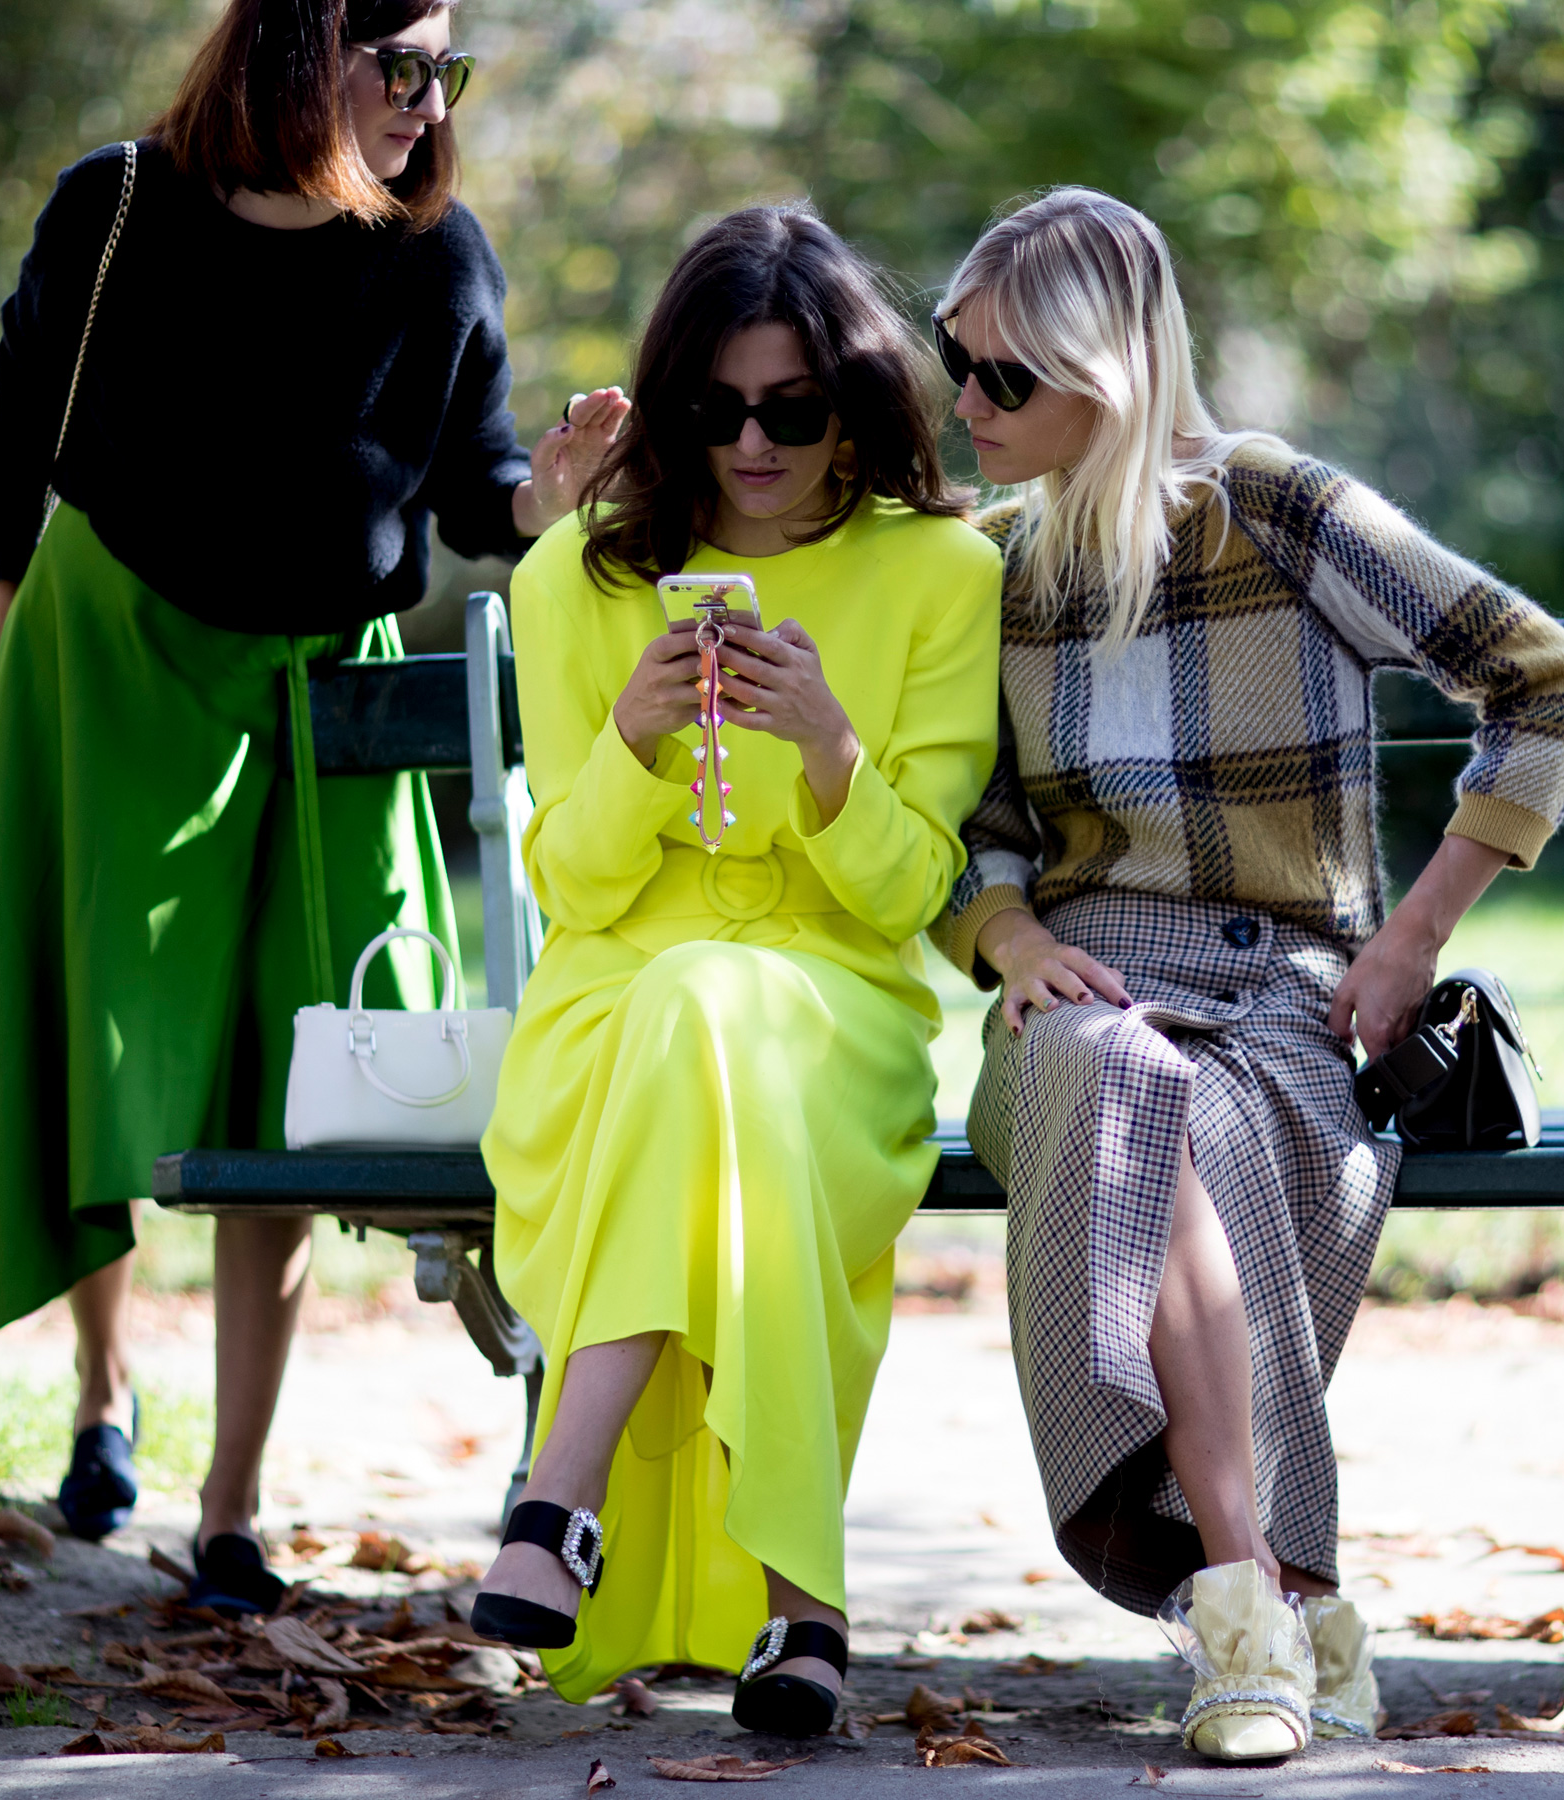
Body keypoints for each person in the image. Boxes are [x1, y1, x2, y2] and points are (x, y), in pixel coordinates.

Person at [0, 0, 626, 1612]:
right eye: (400, 63)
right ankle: (102, 1395)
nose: (428, 100)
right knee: (106, 1035)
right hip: (116, 656)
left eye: (447, 70)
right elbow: (26, 406)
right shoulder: (115, 205)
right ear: (295, 50)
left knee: (293, 1076)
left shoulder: (438, 260)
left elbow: (476, 489)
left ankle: (231, 1507)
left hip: (327, 701)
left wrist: (549, 496)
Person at [927, 188, 1564, 1763]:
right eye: (956, 363)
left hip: (1284, 1001)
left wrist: (1415, 933)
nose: (967, 403)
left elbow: (1547, 683)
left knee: (1200, 1130)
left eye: (1004, 375)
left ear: (1107, 369)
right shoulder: (984, 565)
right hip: (1073, 1003)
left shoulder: (1278, 510)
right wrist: (1011, 941)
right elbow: (962, 824)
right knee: (1118, 1072)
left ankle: (1281, 1615)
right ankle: (1257, 1605)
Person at [466, 204, 1001, 1736]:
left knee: (720, 1020)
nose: (753, 445)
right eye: (714, 412)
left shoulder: (943, 576)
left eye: (793, 410)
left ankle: (558, 1500)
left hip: (836, 1002)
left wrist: (829, 748)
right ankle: (801, 1614)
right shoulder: (574, 579)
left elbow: (911, 892)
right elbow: (574, 885)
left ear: (856, 409)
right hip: (610, 1001)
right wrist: (634, 746)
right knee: (691, 1013)